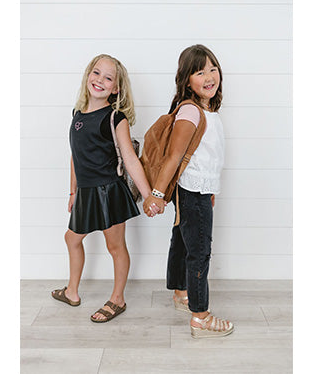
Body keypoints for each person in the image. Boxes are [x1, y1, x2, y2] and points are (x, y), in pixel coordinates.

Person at [51, 54, 165, 323]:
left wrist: (149, 195)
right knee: (72, 238)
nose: (100, 80)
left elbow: (130, 159)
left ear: (116, 88)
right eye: (96, 72)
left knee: (115, 246)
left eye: (108, 77)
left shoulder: (115, 118)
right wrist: (73, 191)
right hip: (87, 193)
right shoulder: (77, 114)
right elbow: (75, 156)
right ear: (88, 75)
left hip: (108, 192)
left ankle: (118, 299)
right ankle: (72, 292)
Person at [143, 45, 234, 338]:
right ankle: (201, 316)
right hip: (192, 191)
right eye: (199, 71)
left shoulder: (206, 110)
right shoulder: (191, 111)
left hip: (198, 189)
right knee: (200, 251)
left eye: (212, 68)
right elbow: (173, 156)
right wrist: (156, 194)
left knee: (183, 241)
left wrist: (210, 188)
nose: (209, 76)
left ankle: (181, 293)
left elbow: (206, 156)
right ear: (186, 80)